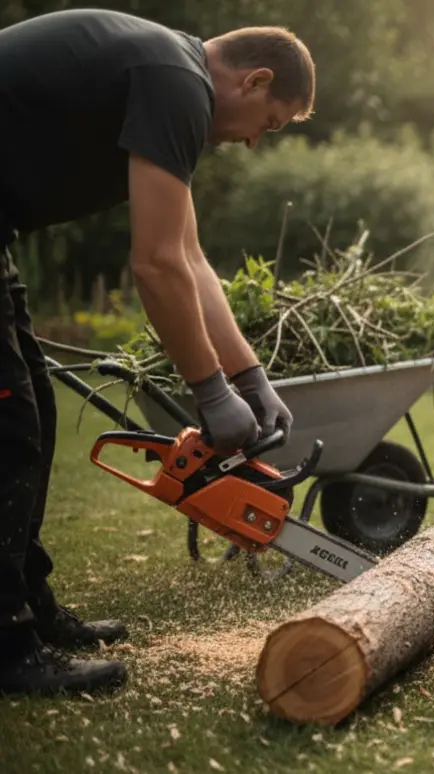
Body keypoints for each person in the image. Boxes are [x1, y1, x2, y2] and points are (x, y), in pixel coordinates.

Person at [0, 9, 309, 696]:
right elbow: (155, 265)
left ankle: (31, 609)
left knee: (34, 419)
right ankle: (7, 645)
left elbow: (191, 258)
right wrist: (209, 393)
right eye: (272, 122)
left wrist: (250, 378)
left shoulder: (170, 74)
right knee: (8, 430)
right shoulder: (176, 80)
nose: (257, 142)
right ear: (254, 79)